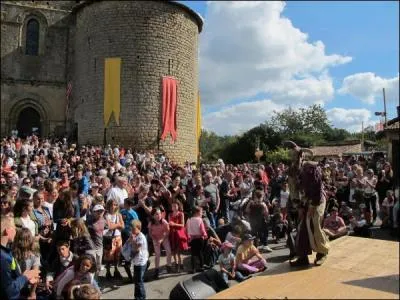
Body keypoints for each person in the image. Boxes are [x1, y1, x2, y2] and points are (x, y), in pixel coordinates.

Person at [1, 216, 40, 300]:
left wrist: (25, 279)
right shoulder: (4, 257)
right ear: (8, 231)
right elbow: (9, 292)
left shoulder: (9, 252)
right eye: (14, 228)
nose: (15, 231)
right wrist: (25, 277)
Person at [11, 227, 41, 299]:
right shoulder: (12, 253)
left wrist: (32, 293)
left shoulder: (35, 255)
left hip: (25, 285)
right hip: (15, 285)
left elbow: (35, 275)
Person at [148, 207, 172, 279]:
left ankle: (168, 265)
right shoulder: (151, 223)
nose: (158, 216)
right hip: (155, 238)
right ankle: (157, 270)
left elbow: (168, 231)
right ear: (153, 215)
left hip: (164, 237)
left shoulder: (164, 222)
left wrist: (162, 239)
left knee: (169, 251)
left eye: (159, 214)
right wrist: (155, 240)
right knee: (157, 254)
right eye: (156, 214)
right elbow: (150, 233)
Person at [186, 206, 208, 273]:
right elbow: (202, 229)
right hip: (199, 239)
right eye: (201, 212)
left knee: (193, 254)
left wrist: (189, 237)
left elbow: (186, 229)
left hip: (192, 239)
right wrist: (205, 235)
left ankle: (193, 268)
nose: (202, 214)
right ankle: (201, 266)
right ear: (197, 212)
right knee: (200, 253)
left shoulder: (189, 219)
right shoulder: (199, 219)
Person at [168, 200, 188, 272]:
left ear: (178, 206)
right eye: (172, 206)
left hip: (179, 234)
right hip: (172, 234)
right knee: (174, 250)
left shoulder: (181, 214)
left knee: (179, 251)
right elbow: (169, 224)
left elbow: (182, 225)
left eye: (175, 206)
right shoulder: (170, 215)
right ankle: (176, 264)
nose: (174, 207)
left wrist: (174, 224)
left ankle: (181, 264)